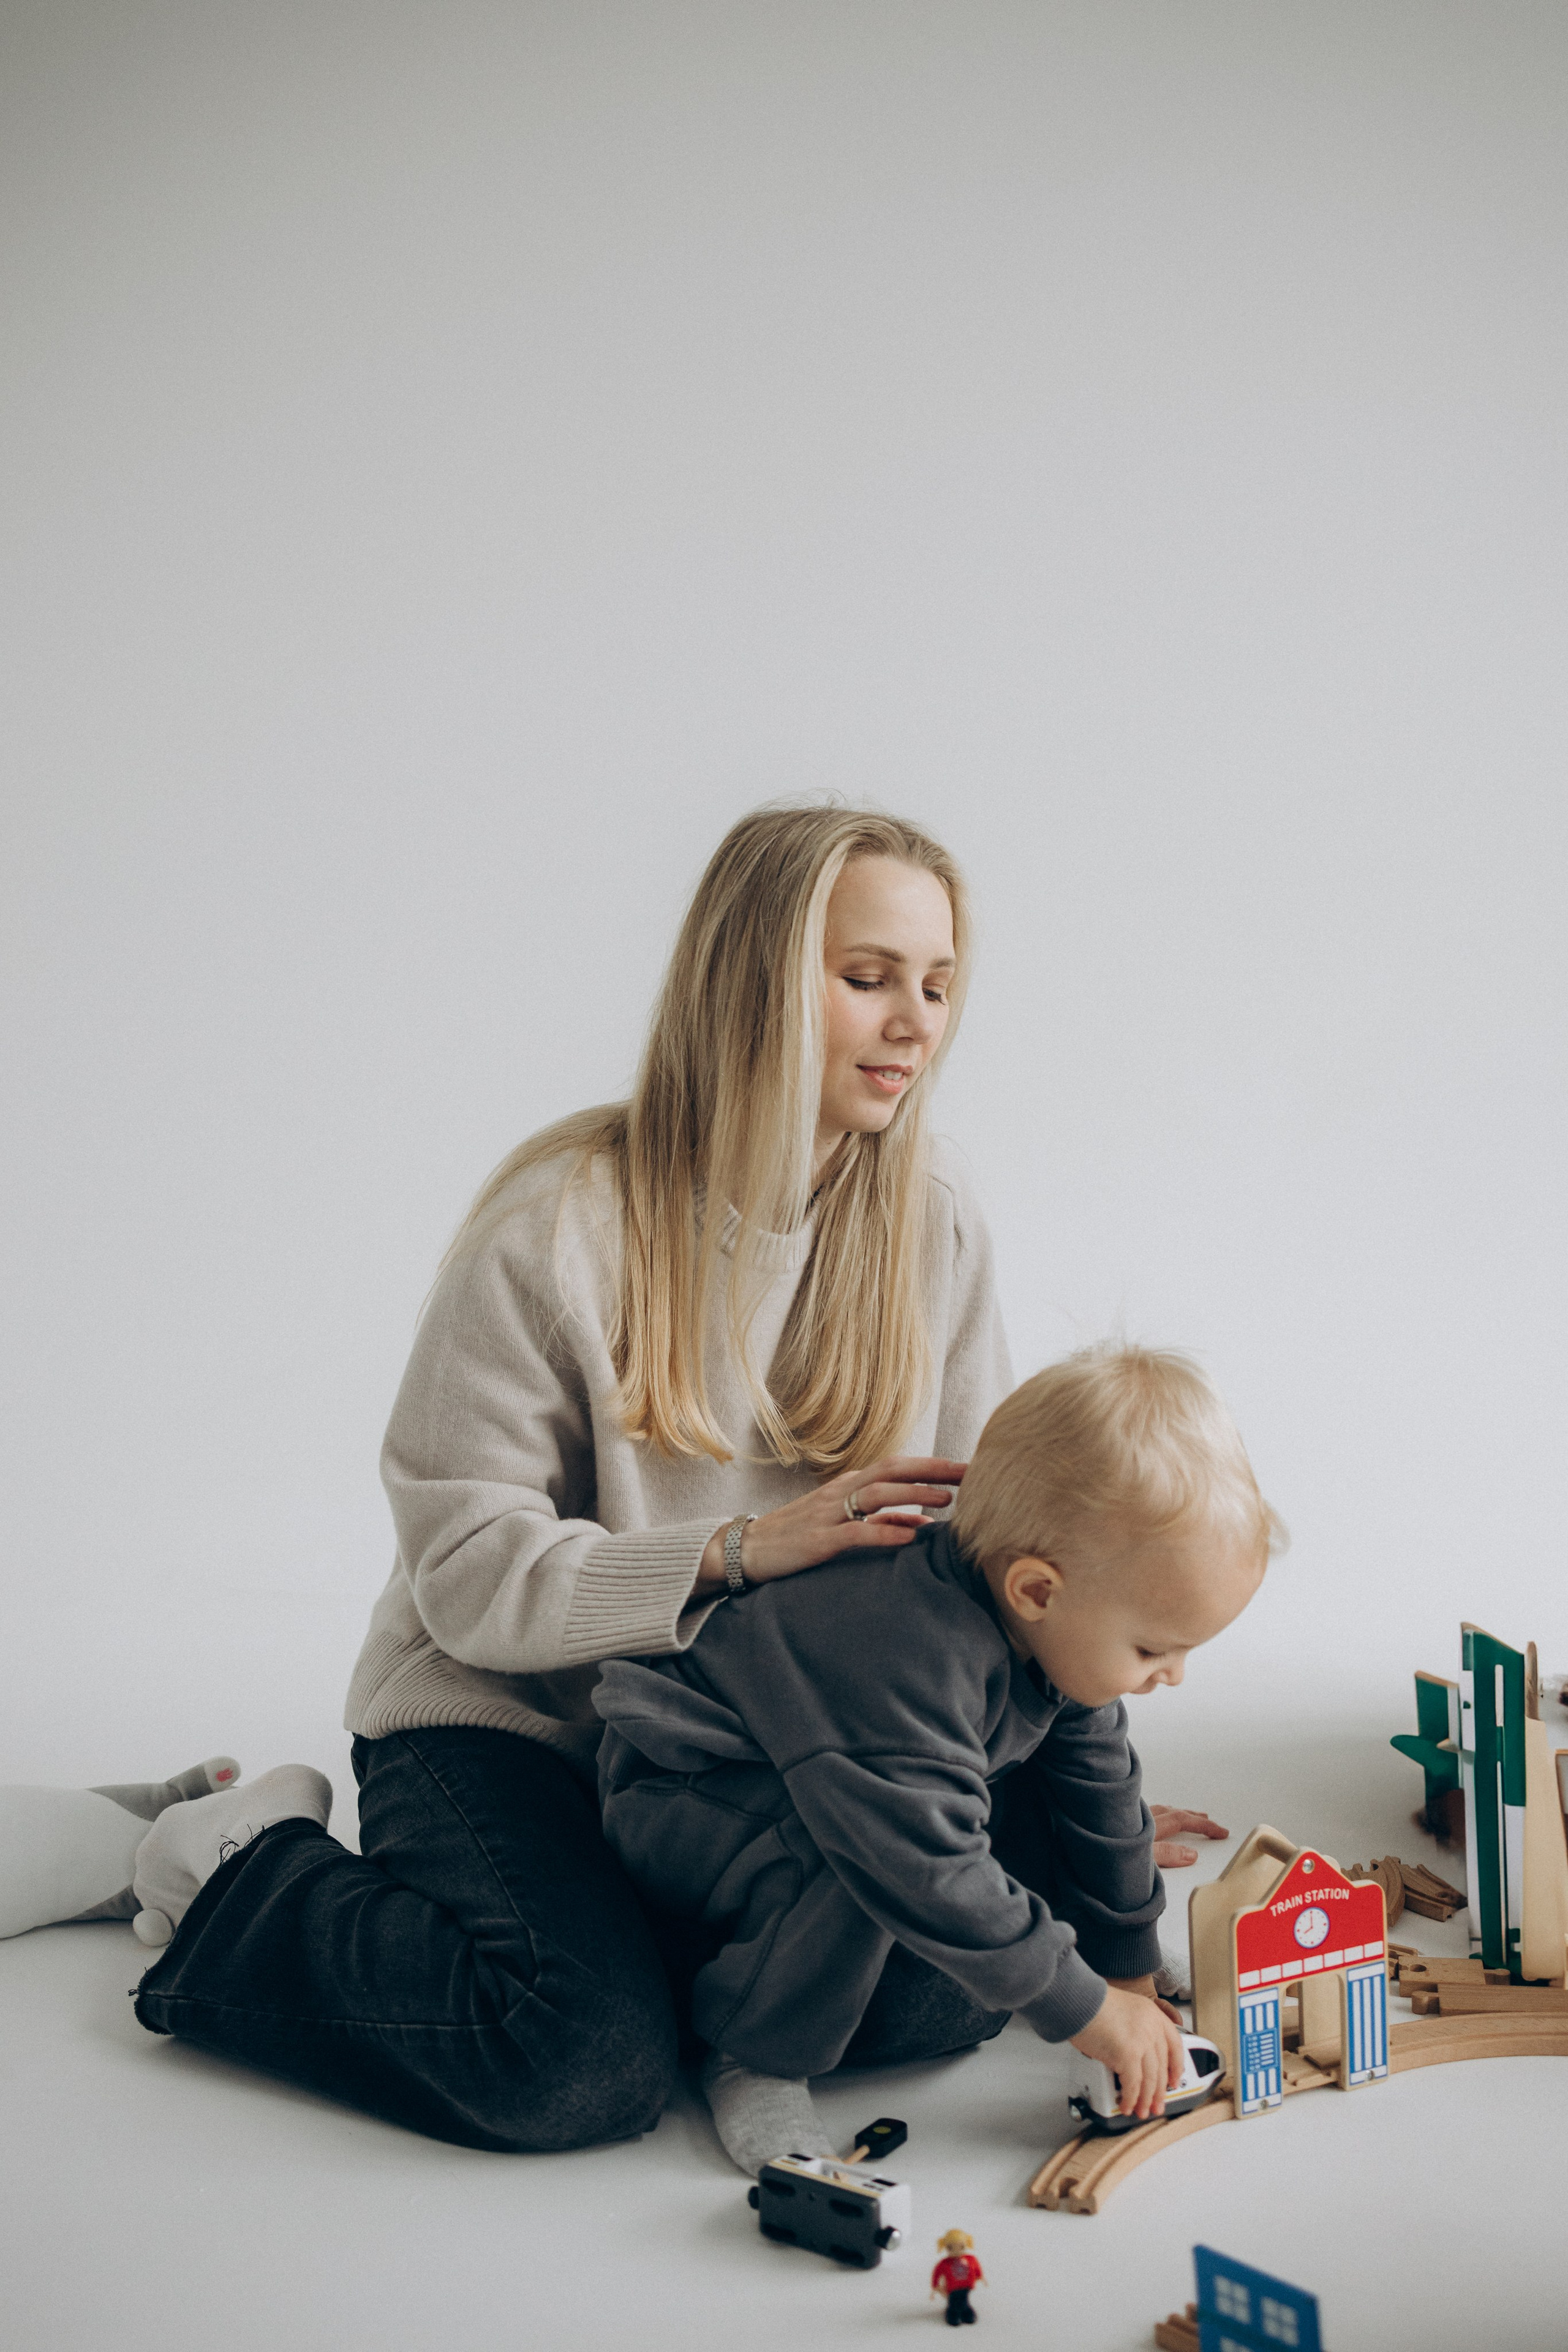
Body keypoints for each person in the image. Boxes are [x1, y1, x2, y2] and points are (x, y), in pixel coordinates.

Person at [0, 801, 1221, 2150]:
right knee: (576, 2064)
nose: (914, 1023)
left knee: (948, 1993)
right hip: (508, 1715)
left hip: (749, 1757)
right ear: (750, 983)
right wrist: (738, 1551)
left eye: (936, 987)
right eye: (866, 979)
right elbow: (465, 1582)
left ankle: (662, 1958)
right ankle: (234, 1865)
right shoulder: (556, 1230)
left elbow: (1002, 1566)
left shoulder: (928, 1224)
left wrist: (1026, 1777)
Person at [593, 1345, 1281, 2174]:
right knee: (869, 1851)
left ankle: (1038, 1958)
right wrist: (1084, 2012)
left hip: (833, 1768)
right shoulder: (903, 1656)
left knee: (1046, 1788)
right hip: (692, 1797)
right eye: (1151, 1649)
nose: (1172, 1675)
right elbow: (924, 1864)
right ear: (1036, 1590)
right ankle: (757, 2052)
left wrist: (1125, 1968)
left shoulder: (1047, 1628)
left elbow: (1102, 1796)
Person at [930, 2231, 985, 2327]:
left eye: (962, 2247)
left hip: (966, 2286)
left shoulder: (970, 2259)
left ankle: (965, 2310)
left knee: (964, 2299)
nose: (957, 2251)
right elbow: (937, 2273)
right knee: (953, 2301)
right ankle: (953, 2312)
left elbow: (976, 2267)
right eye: (951, 2248)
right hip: (952, 2288)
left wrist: (980, 2276)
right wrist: (936, 2285)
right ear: (946, 2247)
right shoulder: (945, 2263)